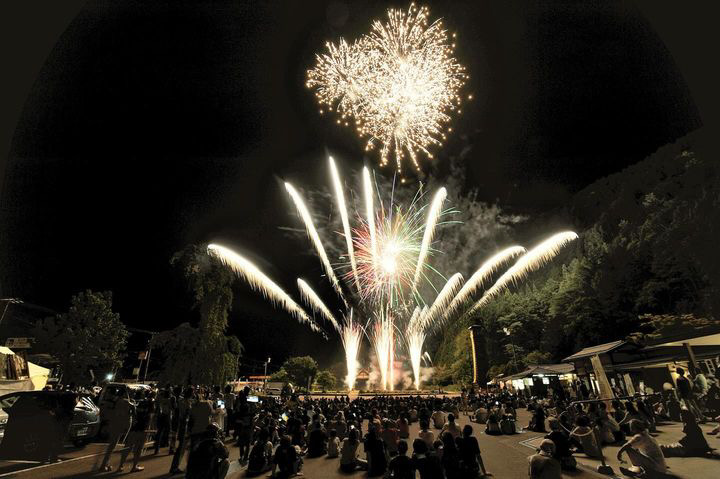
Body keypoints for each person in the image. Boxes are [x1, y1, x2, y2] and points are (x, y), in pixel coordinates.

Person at [118, 389, 154, 473]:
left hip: (134, 428)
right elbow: (150, 417)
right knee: (138, 448)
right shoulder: (149, 404)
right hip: (142, 428)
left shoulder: (134, 402)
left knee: (128, 447)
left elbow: (132, 414)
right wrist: (148, 429)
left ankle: (121, 466)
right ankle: (134, 466)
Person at [98, 387, 133, 472]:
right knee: (113, 445)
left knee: (112, 445)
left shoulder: (115, 400)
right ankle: (104, 465)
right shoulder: (125, 402)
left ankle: (105, 464)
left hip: (113, 423)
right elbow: (132, 410)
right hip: (119, 424)